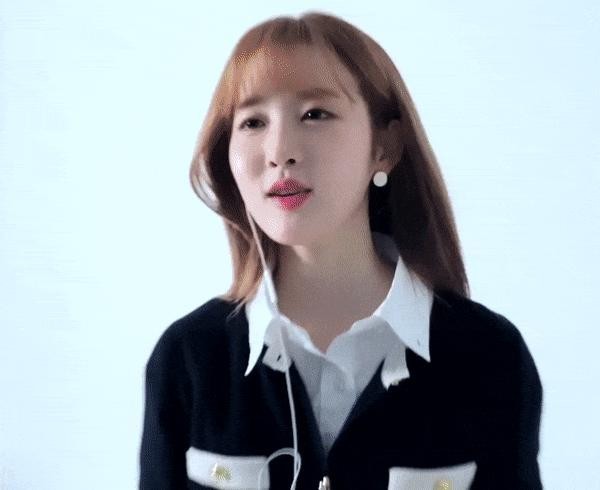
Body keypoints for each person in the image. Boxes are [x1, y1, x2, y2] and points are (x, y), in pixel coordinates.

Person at [139, 11, 543, 490]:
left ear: (385, 146)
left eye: (315, 114)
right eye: (252, 122)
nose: (279, 150)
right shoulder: (188, 358)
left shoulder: (490, 357)